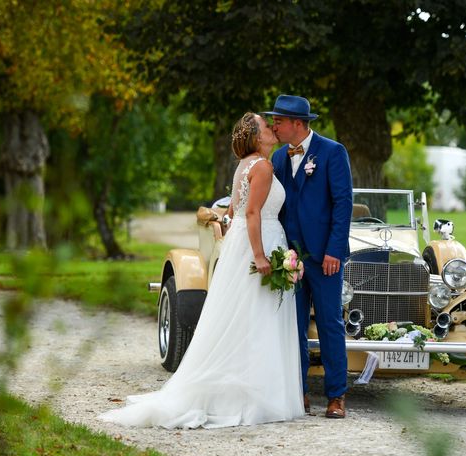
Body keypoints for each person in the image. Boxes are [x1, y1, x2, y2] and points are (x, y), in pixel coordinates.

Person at [99, 112, 304, 429]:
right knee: (256, 317)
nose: (272, 128)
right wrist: (262, 256)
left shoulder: (244, 166)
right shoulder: (262, 166)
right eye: (266, 126)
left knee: (244, 318)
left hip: (247, 244)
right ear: (255, 135)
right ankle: (254, 397)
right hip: (258, 243)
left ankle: (244, 390)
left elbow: (232, 212)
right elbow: (250, 214)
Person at [264, 95, 353, 419]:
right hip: (289, 258)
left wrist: (334, 250)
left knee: (330, 324)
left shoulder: (332, 152)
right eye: (273, 121)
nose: (275, 125)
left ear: (297, 124)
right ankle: (297, 392)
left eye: (279, 121)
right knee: (294, 326)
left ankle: (336, 396)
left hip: (324, 257)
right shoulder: (276, 157)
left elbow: (342, 204)